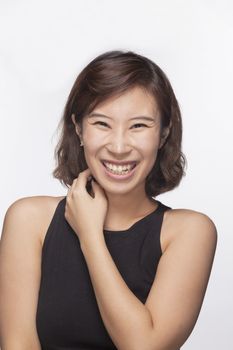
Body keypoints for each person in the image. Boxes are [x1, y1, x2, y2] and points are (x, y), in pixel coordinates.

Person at [0, 50, 217, 350]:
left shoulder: (188, 232)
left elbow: (143, 347)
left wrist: (90, 235)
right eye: (102, 124)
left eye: (139, 126)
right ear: (78, 128)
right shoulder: (28, 220)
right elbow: (17, 343)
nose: (118, 146)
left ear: (164, 133)